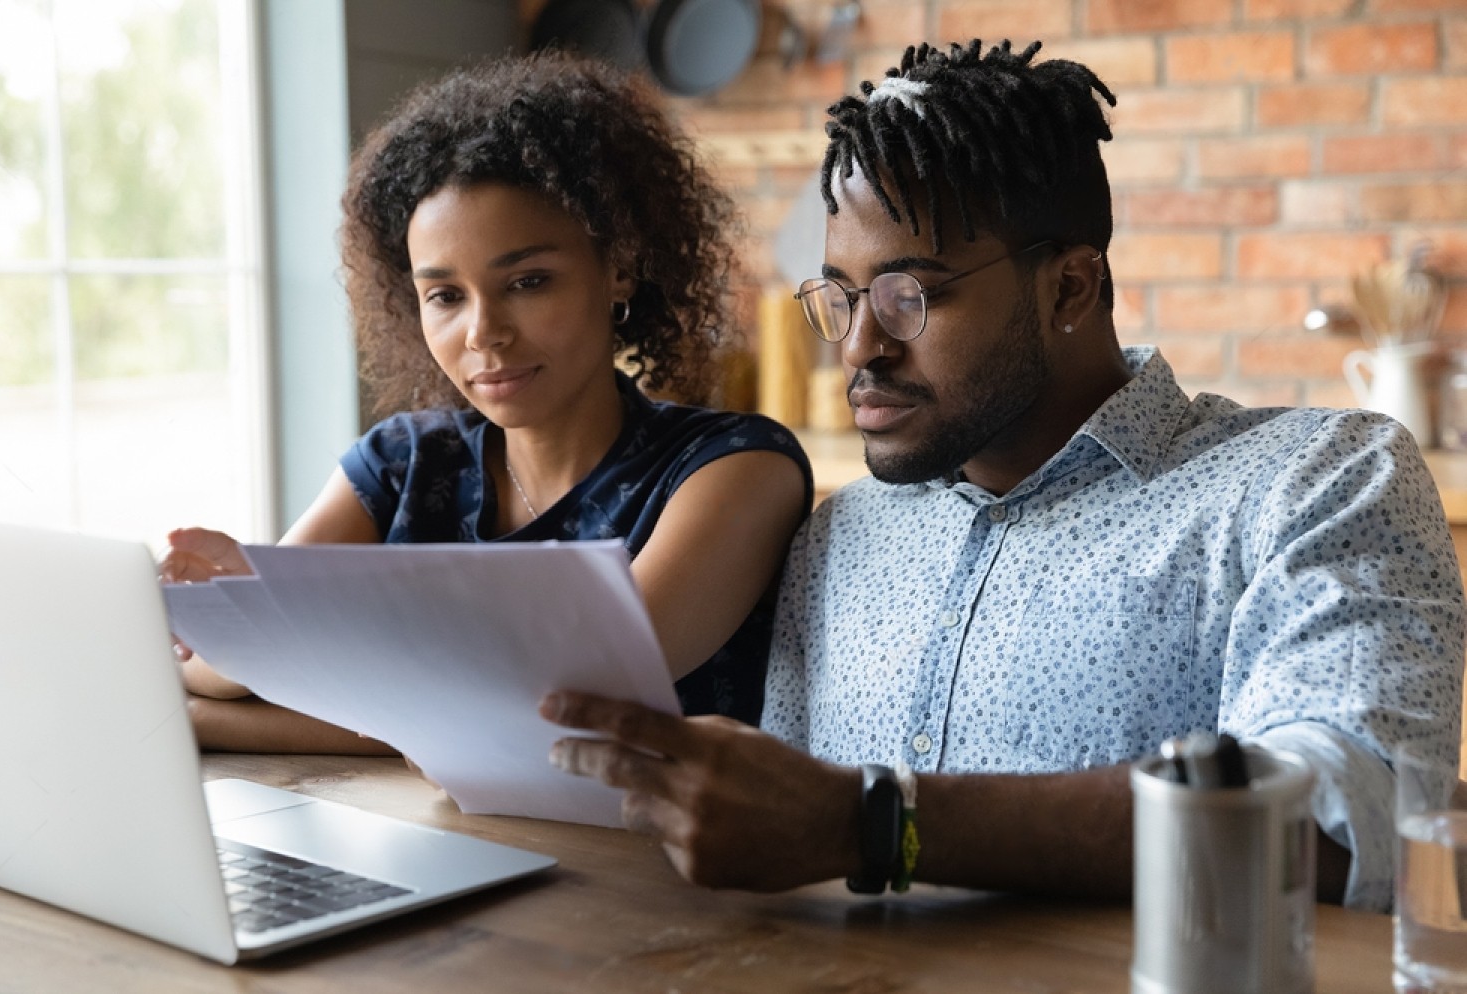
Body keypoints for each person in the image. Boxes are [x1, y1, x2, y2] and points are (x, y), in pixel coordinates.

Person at [542, 39, 1465, 912]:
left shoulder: (1313, 482)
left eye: (912, 296)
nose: (858, 347)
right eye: (841, 297)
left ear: (1069, 287)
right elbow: (778, 835)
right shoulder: (838, 536)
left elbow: (1347, 826)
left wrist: (876, 825)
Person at [164, 53, 811, 753]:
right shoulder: (402, 464)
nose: (484, 333)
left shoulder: (734, 468)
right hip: (430, 839)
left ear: (618, 267)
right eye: (444, 295)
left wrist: (229, 700)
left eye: (529, 281)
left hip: (648, 858)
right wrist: (245, 613)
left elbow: (568, 700)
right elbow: (218, 669)